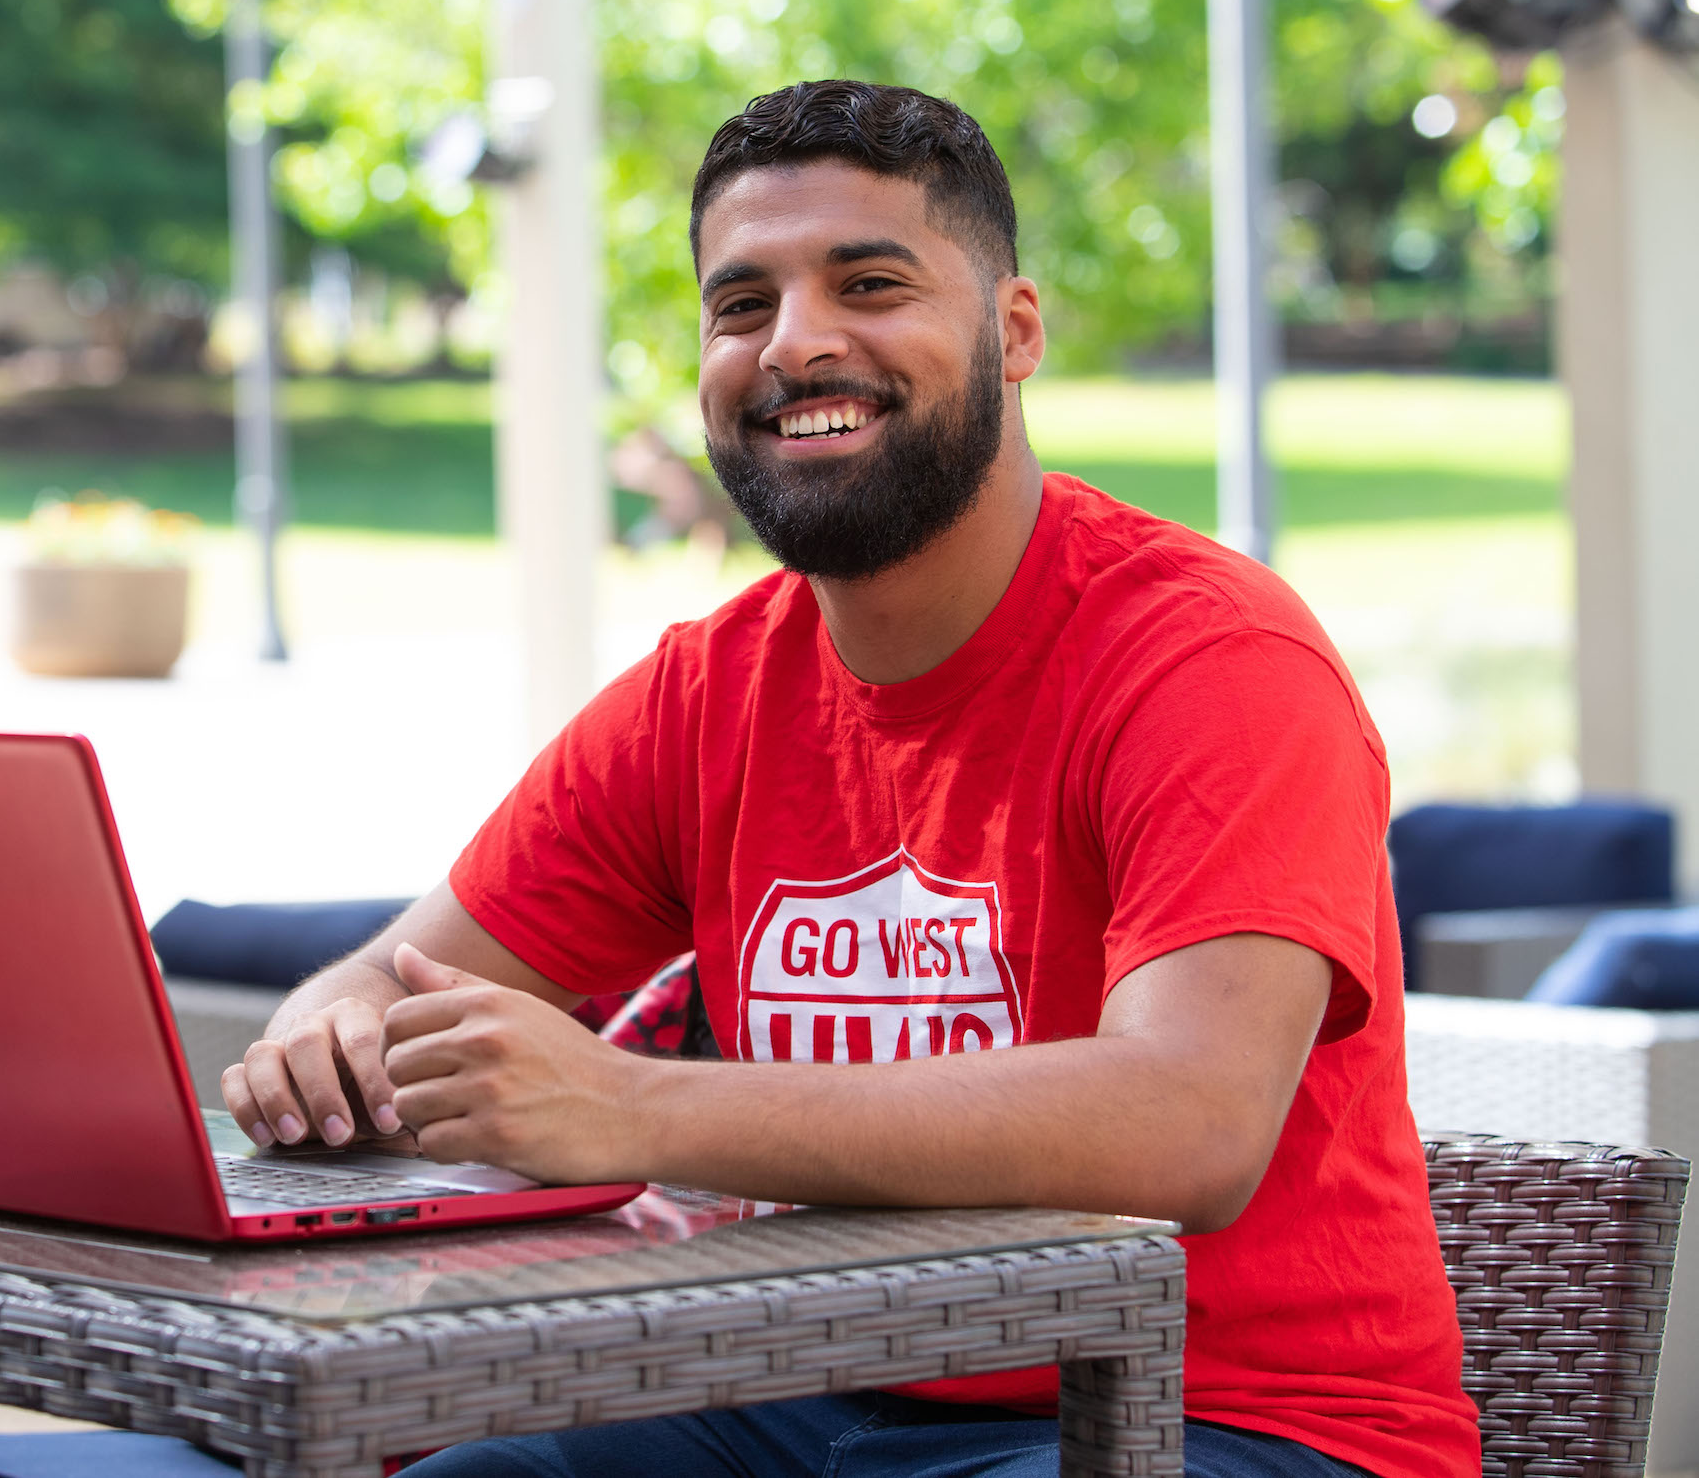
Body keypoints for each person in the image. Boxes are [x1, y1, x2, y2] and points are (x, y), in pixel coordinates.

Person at [224, 81, 1471, 1478]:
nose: (795, 343)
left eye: (869, 285)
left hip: (1222, 1420)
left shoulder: (1210, 658)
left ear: (1014, 331)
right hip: (800, 1377)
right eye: (740, 304)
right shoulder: (708, 690)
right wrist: (324, 1038)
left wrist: (631, 1107)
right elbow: (383, 984)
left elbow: (1188, 1123)